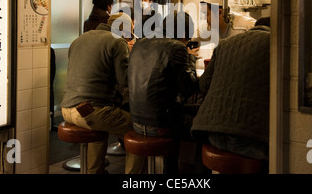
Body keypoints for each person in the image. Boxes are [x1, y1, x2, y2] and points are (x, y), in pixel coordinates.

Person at [61, 12, 146, 174]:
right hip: (90, 111)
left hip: (67, 109)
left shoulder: (80, 39)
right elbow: (125, 80)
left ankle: (94, 171)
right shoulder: (117, 42)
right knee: (138, 133)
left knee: (99, 128)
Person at [128, 11, 200, 173]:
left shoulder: (140, 43)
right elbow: (189, 88)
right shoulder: (176, 48)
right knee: (201, 129)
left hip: (136, 121)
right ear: (183, 33)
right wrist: (191, 58)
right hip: (159, 125)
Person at [191, 17, 271, 165]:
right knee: (282, 154)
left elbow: (203, 85)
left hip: (210, 133)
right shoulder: (275, 46)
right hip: (249, 139)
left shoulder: (225, 44)